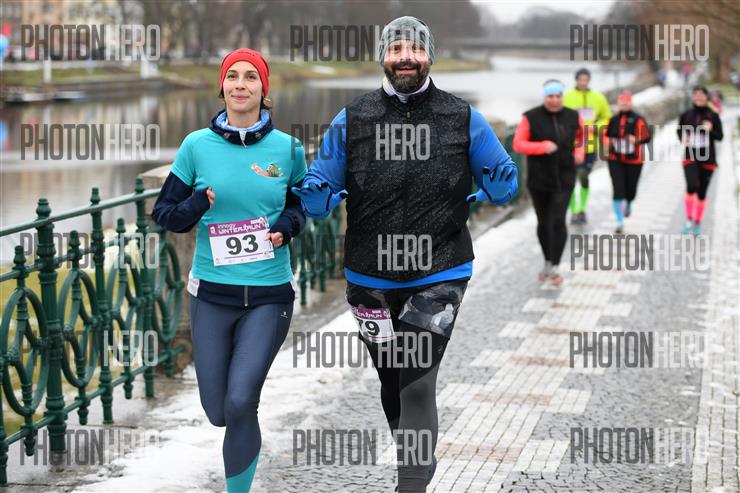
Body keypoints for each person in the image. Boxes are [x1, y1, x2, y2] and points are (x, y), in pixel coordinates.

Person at [291, 16, 517, 492]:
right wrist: (314, 194)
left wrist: (497, 184)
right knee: (391, 380)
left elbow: (503, 180)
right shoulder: (352, 119)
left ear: (429, 56)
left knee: (417, 380)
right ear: (384, 58)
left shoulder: (462, 117)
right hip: (369, 276)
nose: (406, 58)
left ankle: (409, 483)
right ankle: (416, 460)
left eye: (415, 49)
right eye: (396, 50)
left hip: (440, 270)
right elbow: (321, 184)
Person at [151, 48, 307, 492]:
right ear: (222, 87)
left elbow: (300, 206)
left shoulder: (288, 149)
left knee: (241, 402)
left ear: (264, 89)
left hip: (269, 294)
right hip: (211, 296)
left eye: (251, 77)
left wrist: (286, 227)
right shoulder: (196, 146)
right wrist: (197, 204)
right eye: (233, 76)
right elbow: (164, 214)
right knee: (218, 410)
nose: (241, 84)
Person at [513, 80, 585, 285]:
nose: (554, 100)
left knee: (558, 220)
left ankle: (555, 266)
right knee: (544, 222)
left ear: (562, 96)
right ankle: (547, 260)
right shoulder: (530, 117)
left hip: (565, 176)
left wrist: (579, 152)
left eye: (558, 96)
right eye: (550, 96)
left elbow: (582, 137)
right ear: (544, 97)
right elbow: (518, 144)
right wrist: (541, 146)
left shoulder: (573, 116)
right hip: (539, 179)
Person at [563, 68, 611, 225]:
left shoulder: (598, 97)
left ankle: (582, 209)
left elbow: (607, 117)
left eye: (586, 80)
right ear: (576, 80)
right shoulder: (567, 97)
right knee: (570, 180)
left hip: (590, 145)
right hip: (571, 145)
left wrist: (596, 127)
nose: (583, 83)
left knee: (583, 177)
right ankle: (574, 211)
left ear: (589, 81)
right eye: (580, 80)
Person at [677, 86, 723, 235]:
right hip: (690, 156)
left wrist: (710, 130)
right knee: (691, 186)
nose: (698, 97)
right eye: (696, 94)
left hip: (708, 158)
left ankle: (697, 222)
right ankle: (688, 219)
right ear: (692, 97)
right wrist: (682, 137)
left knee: (702, 192)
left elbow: (720, 136)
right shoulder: (686, 115)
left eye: (702, 94)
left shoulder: (713, 115)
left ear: (706, 97)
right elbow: (679, 130)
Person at [604, 91, 651, 233]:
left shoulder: (638, 119)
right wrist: (608, 144)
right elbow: (606, 135)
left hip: (634, 160)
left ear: (631, 103)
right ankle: (620, 222)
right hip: (615, 159)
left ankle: (629, 202)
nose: (624, 104)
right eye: (621, 101)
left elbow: (647, 137)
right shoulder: (613, 119)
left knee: (630, 190)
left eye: (627, 101)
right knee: (618, 189)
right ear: (618, 103)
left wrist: (636, 140)